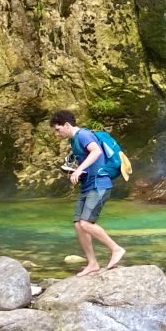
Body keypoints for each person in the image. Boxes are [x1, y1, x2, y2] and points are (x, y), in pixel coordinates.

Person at [50, 110, 125, 276]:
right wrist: (74, 170)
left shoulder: (83, 135)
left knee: (86, 223)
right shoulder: (74, 141)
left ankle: (116, 249)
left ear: (67, 125)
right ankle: (92, 263)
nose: (57, 134)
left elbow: (96, 151)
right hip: (88, 185)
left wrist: (79, 170)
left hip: (99, 184)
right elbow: (87, 160)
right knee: (78, 224)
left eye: (58, 129)